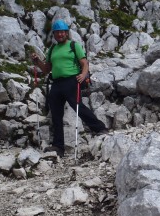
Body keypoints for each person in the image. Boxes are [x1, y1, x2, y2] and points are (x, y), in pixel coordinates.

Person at [31, 19, 107, 157]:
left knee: (77, 106)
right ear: (54, 34)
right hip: (56, 83)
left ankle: (100, 128)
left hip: (71, 81)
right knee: (56, 114)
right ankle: (58, 146)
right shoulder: (52, 49)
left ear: (66, 33)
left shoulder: (74, 45)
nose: (60, 34)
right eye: (57, 32)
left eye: (62, 32)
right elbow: (47, 69)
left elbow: (84, 63)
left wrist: (83, 75)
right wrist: (37, 62)